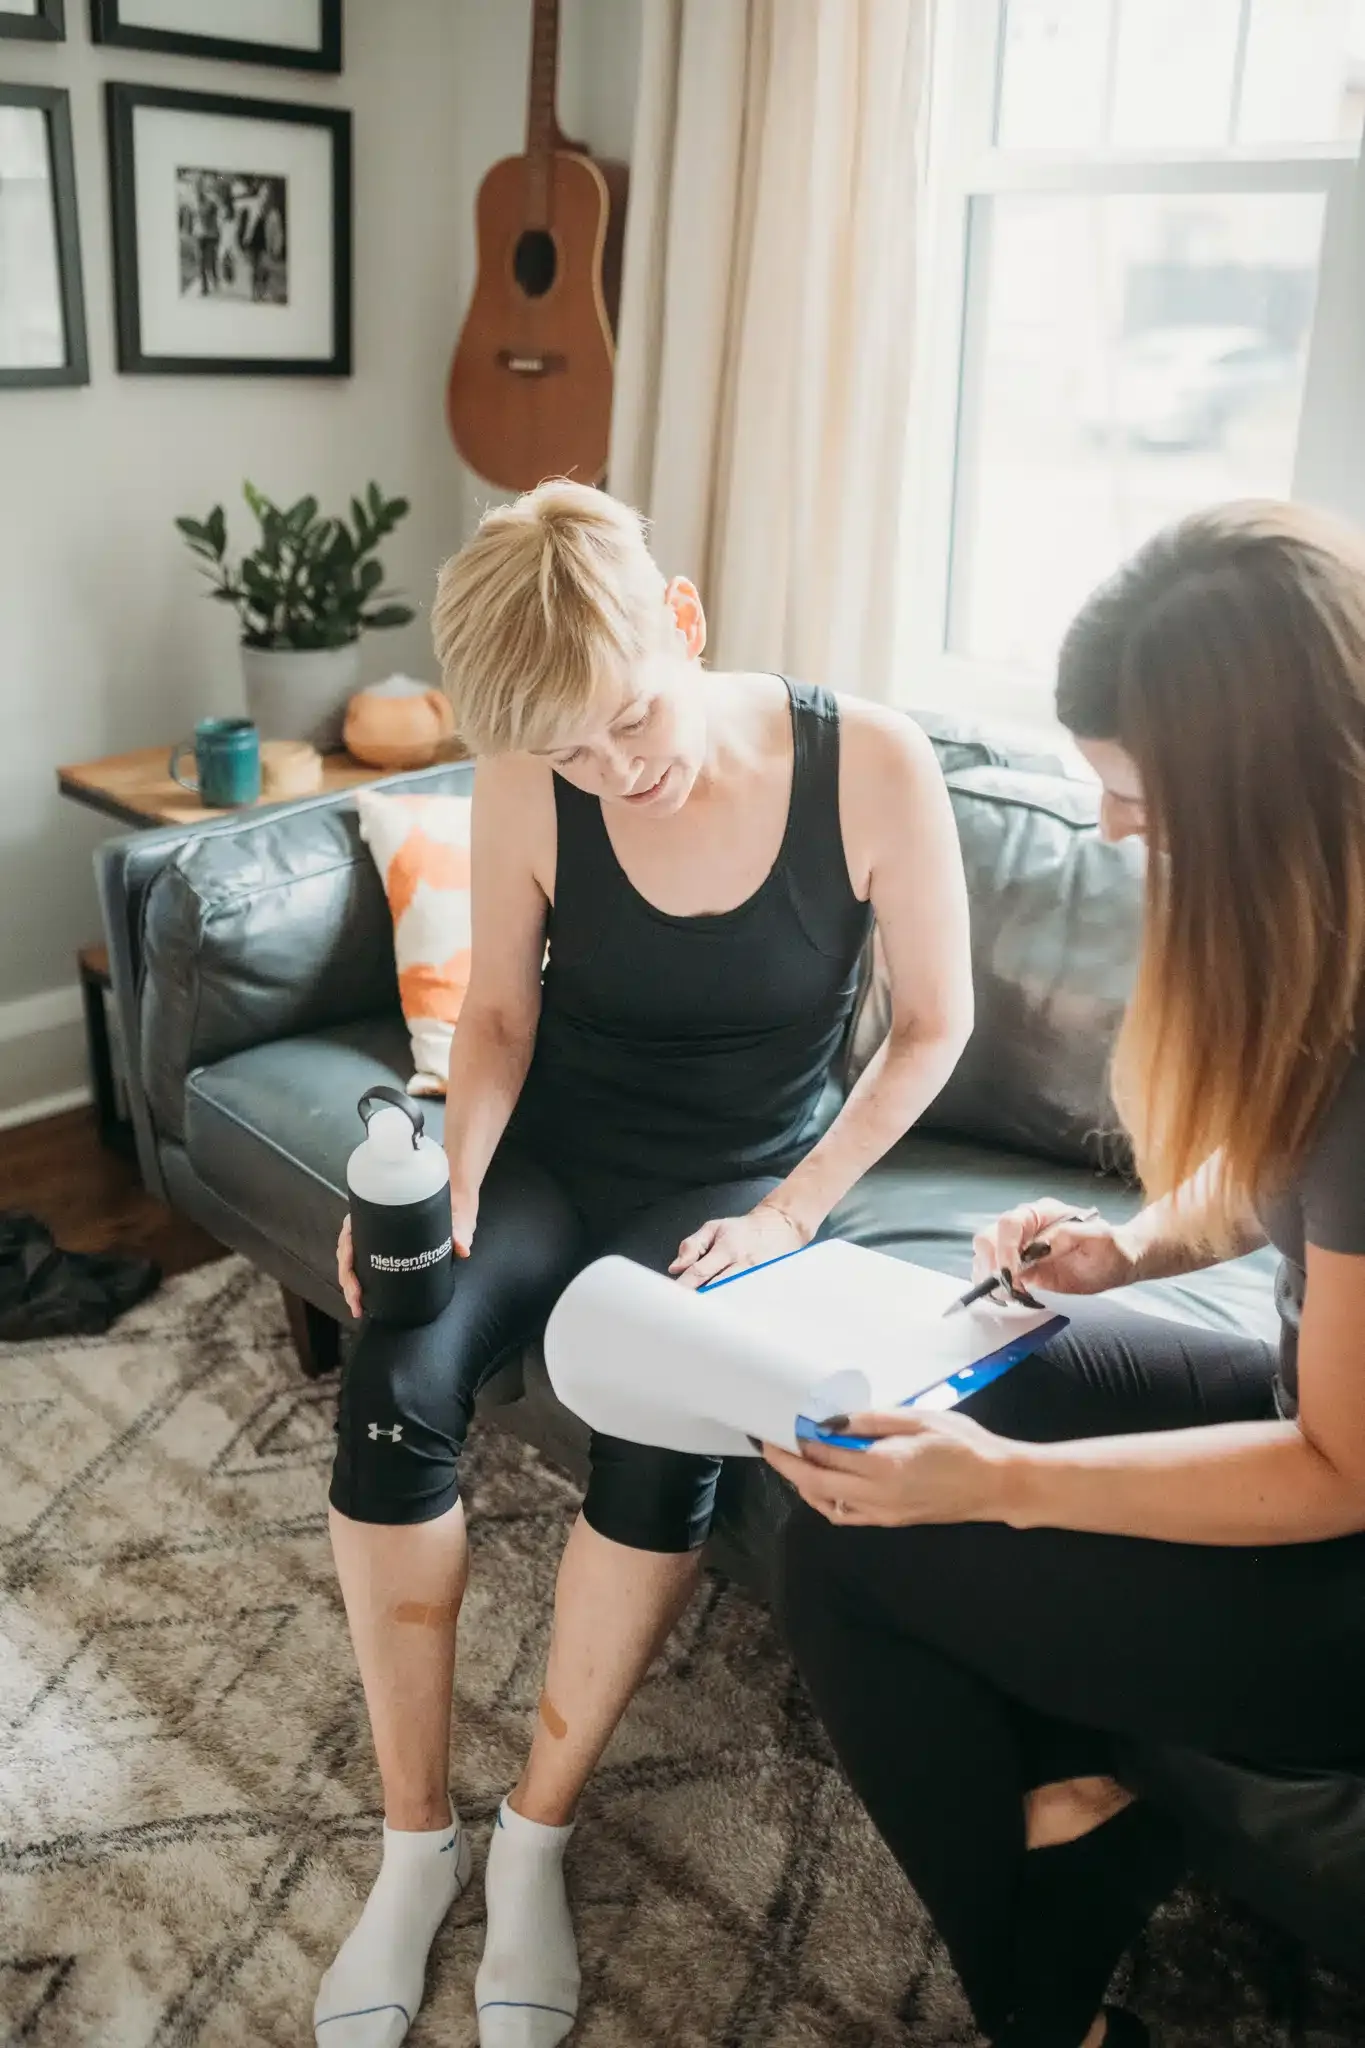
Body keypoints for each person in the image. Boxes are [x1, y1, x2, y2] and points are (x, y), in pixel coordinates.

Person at [313, 480, 974, 2048]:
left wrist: (793, 1215)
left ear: (685, 619)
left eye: (629, 720)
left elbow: (935, 1029)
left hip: (738, 1187)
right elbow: (496, 1015)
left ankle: (535, 1835)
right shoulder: (533, 770)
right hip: (555, 1151)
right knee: (392, 1379)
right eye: (573, 755)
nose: (617, 773)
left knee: (659, 1431)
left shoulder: (871, 764)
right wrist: (452, 1180)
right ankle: (416, 1844)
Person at [764, 498, 1365, 2048]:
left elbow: (1335, 1472)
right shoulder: (1331, 939)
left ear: (1270, 793)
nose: (1105, 832)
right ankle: (1078, 1810)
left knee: (858, 1547)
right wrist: (1131, 1249)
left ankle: (1043, 2004)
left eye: (1138, 797)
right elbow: (1285, 1167)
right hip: (1317, 1420)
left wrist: (1005, 1487)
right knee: (923, 1411)